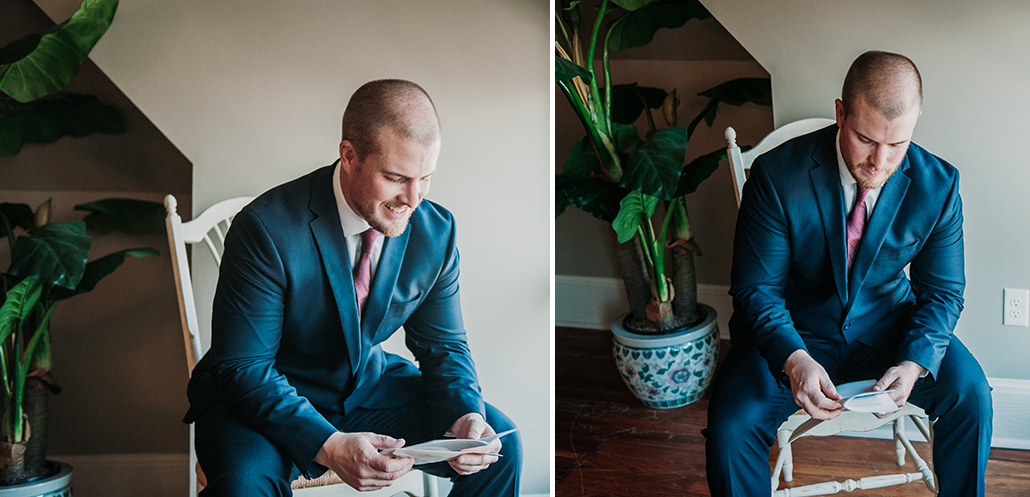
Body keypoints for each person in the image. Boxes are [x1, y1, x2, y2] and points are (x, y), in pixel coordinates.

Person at [184, 79, 522, 496]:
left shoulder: (435, 233)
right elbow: (244, 370)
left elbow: (444, 346)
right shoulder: (265, 229)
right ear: (349, 156)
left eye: (426, 178)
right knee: (243, 486)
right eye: (396, 177)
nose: (412, 199)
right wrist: (329, 445)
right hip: (259, 399)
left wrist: (465, 416)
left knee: (499, 445)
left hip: (365, 386)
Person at [703, 51, 992, 496]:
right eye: (865, 139)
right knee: (730, 430)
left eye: (897, 144)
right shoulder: (776, 175)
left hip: (887, 331)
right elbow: (756, 291)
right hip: (790, 337)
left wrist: (914, 362)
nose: (880, 161)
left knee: (971, 395)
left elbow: (943, 293)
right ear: (841, 113)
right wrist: (794, 359)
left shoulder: (940, 185)